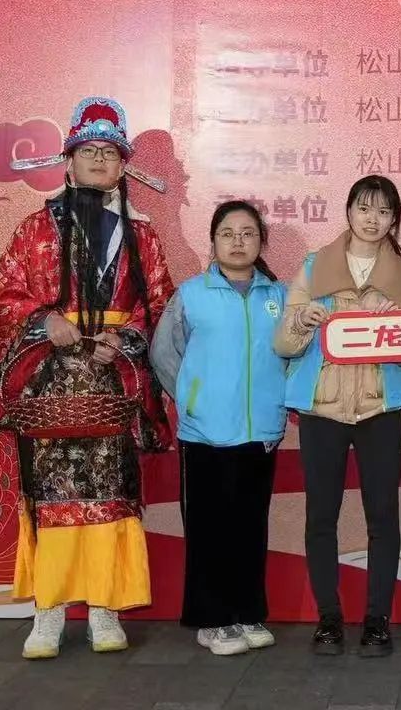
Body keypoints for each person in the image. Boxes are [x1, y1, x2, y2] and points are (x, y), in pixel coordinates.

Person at [0, 97, 174, 660]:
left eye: (109, 152)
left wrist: (127, 339)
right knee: (50, 497)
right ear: (67, 160)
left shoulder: (143, 237)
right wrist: (45, 320)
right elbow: (3, 295)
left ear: (123, 166)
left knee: (111, 496)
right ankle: (47, 611)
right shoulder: (34, 230)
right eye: (88, 150)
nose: (98, 159)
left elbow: (159, 306)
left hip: (111, 383)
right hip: (49, 384)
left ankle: (104, 609)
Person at [274, 176, 401, 657]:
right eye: (364, 208)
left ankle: (377, 620)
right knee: (321, 516)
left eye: (383, 211)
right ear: (349, 211)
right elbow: (283, 344)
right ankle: (329, 619)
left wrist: (394, 326)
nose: (373, 219)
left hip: (380, 407)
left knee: (383, 516)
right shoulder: (314, 266)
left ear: (394, 220)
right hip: (323, 408)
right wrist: (301, 319)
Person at [151, 200, 286, 657]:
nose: (238, 242)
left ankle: (247, 612)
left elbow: (294, 354)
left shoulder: (280, 296)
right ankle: (212, 620)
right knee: (209, 531)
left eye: (248, 233)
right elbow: (164, 353)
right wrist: (193, 400)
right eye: (227, 233)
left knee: (250, 528)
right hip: (204, 435)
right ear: (213, 241)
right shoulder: (192, 295)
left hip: (260, 432)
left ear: (261, 241)